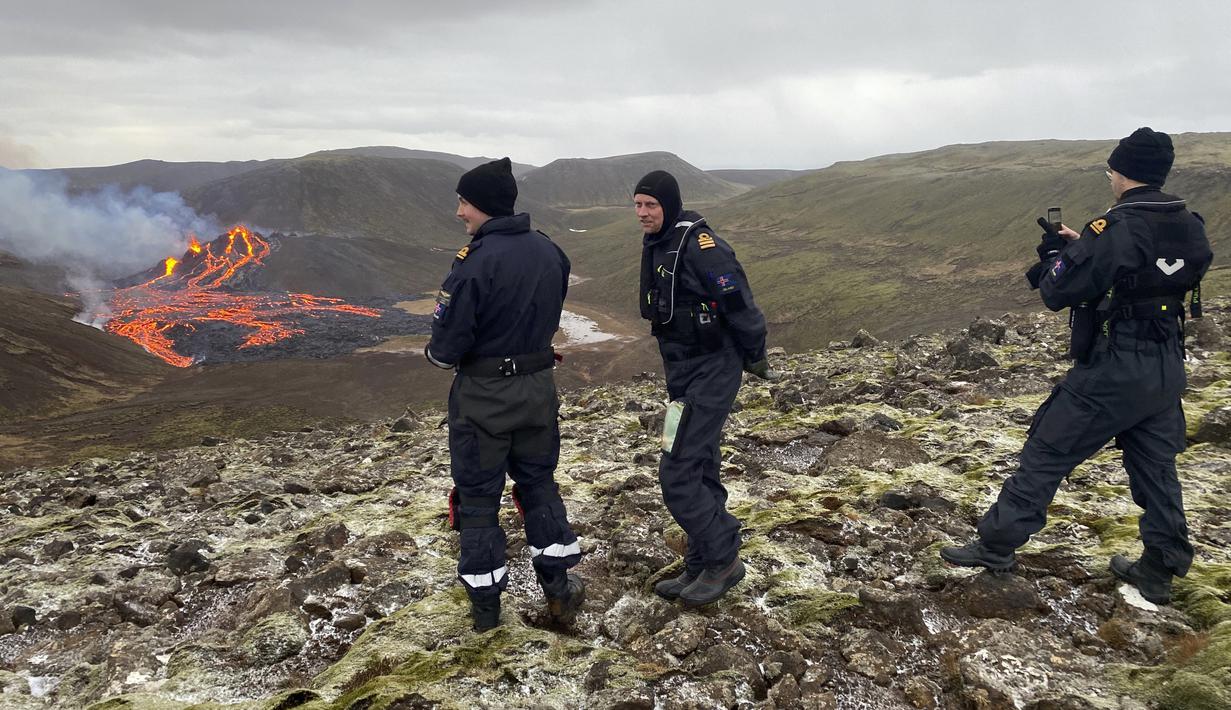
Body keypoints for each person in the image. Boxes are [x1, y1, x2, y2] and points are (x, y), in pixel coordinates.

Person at [941, 128, 1213, 605]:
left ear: (1121, 172)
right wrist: (1084, 249)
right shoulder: (1188, 221)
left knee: (1048, 450)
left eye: (1110, 170)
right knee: (1156, 469)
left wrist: (1059, 256)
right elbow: (1151, 274)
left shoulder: (1114, 227)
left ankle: (996, 546)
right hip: (1166, 365)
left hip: (1113, 368)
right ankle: (1160, 568)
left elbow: (1056, 291)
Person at [425, 157, 584, 630]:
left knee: (478, 501)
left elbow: (446, 347)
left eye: (464, 202)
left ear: (485, 206)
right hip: (537, 393)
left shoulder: (474, 264)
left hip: (483, 402)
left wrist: (440, 354)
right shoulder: (550, 251)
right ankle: (558, 592)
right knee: (538, 486)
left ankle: (486, 613)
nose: (459, 213)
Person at [633, 170, 775, 606]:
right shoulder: (660, 244)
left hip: (713, 368)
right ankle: (700, 563)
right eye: (637, 205)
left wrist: (754, 353)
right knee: (700, 462)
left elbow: (736, 301)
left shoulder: (700, 247)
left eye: (651, 205)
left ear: (669, 205)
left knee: (676, 470)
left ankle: (723, 557)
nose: (642, 213)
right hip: (683, 372)